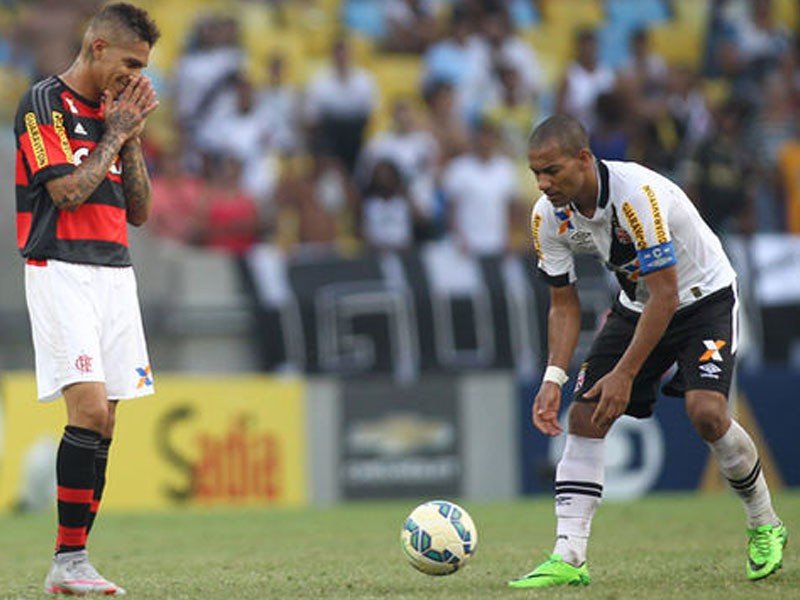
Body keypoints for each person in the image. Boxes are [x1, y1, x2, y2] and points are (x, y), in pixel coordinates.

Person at [508, 115, 787, 589]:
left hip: (704, 300)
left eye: (552, 171)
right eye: (536, 172)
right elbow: (563, 302)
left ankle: (765, 524)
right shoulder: (547, 216)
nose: (542, 183)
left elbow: (668, 295)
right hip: (637, 304)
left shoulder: (635, 197)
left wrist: (624, 374)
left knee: (706, 413)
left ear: (583, 159)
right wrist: (553, 378)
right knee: (585, 414)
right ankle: (569, 556)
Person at [13, 3, 160, 595]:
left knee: (109, 419)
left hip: (115, 271)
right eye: (130, 63)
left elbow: (142, 212)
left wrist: (130, 139)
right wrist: (116, 131)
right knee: (90, 412)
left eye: (143, 67)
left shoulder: (115, 114)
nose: (136, 77)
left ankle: (75, 562)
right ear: (98, 48)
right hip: (61, 268)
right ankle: (68, 560)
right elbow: (69, 192)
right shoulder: (43, 103)